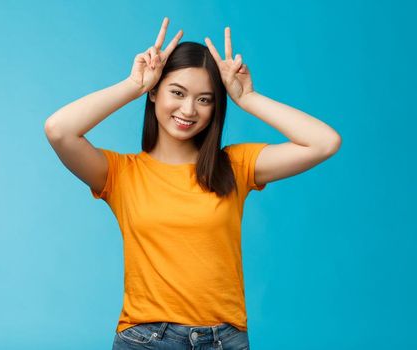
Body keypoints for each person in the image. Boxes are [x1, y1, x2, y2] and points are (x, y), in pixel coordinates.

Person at [43, 17, 341, 350]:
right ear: (155, 91)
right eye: (177, 92)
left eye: (204, 99)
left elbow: (324, 142)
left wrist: (249, 98)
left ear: (216, 107)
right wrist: (134, 84)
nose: (189, 109)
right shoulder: (121, 173)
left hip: (223, 340)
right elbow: (59, 129)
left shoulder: (235, 166)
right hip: (145, 339)